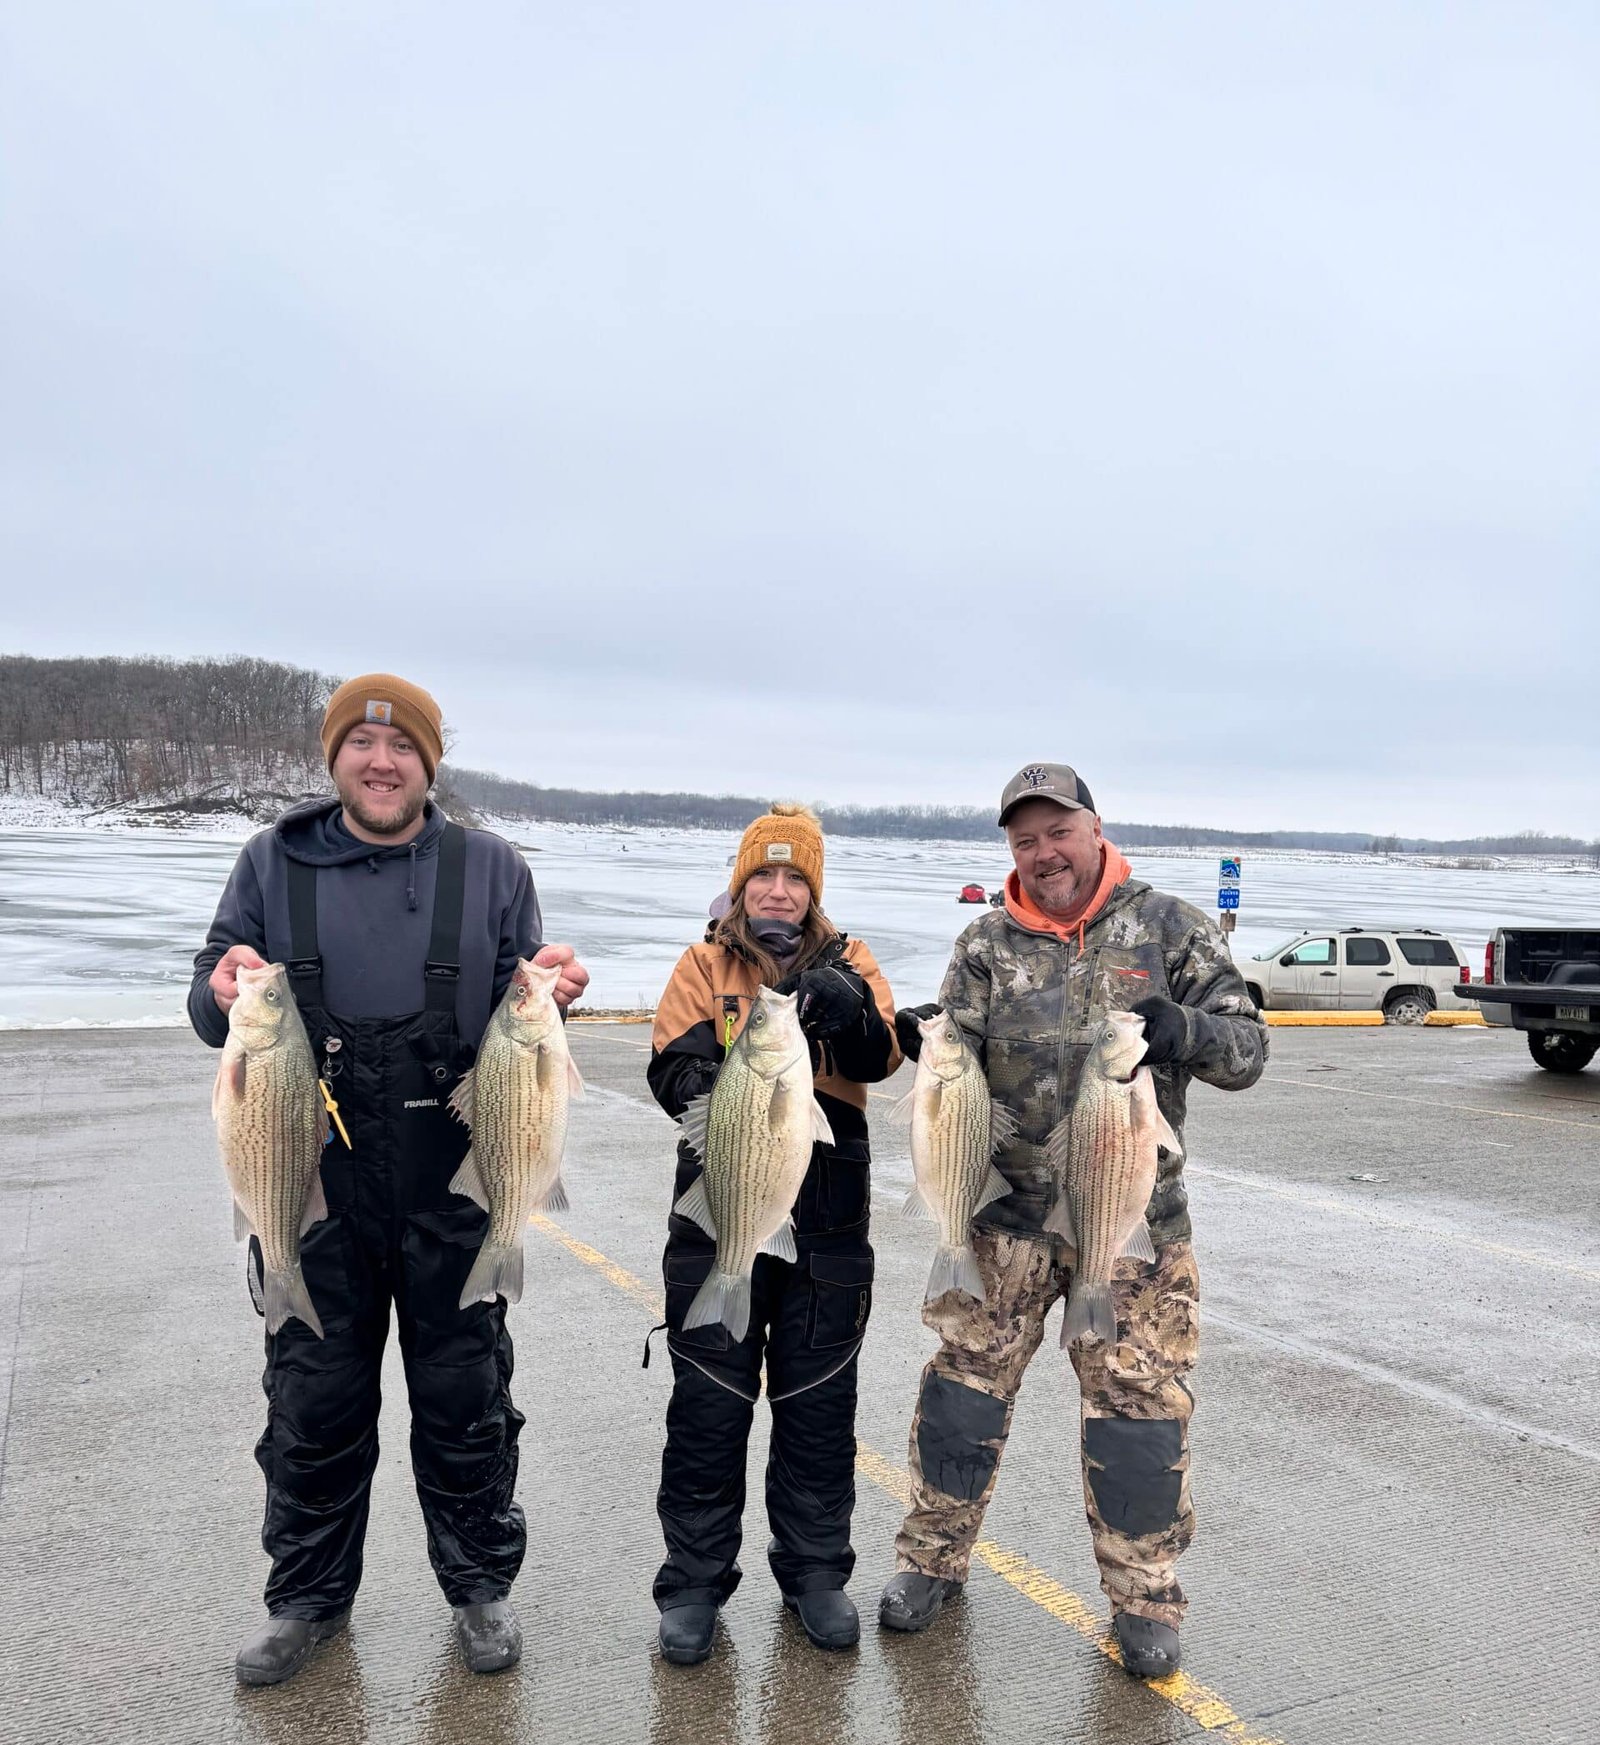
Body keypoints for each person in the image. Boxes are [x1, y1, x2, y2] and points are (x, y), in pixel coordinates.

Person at [189, 673, 589, 1687]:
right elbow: (208, 999)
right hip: (312, 1178)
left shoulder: (491, 867)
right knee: (312, 1407)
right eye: (362, 747)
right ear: (334, 762)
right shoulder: (272, 863)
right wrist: (220, 988)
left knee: (467, 1402)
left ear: (428, 763)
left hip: (452, 1183)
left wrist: (555, 997)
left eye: (403, 747)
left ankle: (479, 1591)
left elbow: (522, 1012)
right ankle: (309, 1602)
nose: (382, 762)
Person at [881, 763, 1266, 1678]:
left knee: (1138, 1414)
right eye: (1024, 839)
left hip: (1131, 1228)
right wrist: (923, 1039)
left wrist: (1186, 1031)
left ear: (1095, 829)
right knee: (960, 1395)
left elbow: (1247, 1049)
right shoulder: (984, 942)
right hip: (1001, 1222)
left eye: (1058, 831)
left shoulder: (1170, 926)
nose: (1043, 852)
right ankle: (931, 1561)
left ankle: (1144, 1599)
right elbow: (955, 1048)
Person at [647, 803, 899, 1664]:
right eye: (764, 875)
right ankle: (691, 1583)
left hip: (827, 1229)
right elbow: (669, 1071)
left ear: (814, 888)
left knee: (818, 1409)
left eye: (795, 878)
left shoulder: (852, 959)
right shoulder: (703, 961)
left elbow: (878, 1056)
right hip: (723, 1209)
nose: (779, 891)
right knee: (708, 1412)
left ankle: (816, 1573)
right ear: (741, 882)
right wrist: (736, 1060)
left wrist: (852, 1007)